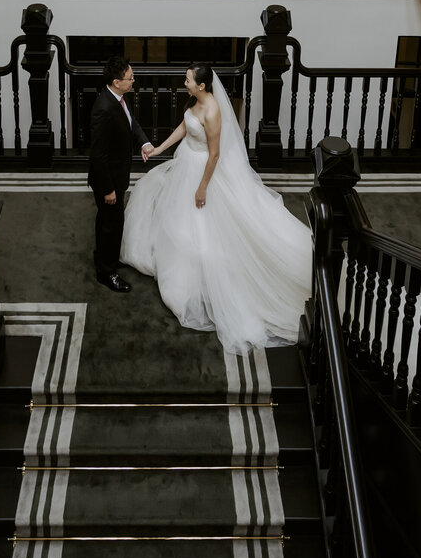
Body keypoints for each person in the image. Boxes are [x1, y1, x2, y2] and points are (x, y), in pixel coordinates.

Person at [121, 63, 312, 354]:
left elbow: (214, 154)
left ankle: (198, 276)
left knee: (204, 227)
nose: (184, 83)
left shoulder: (212, 111)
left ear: (202, 85)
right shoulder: (195, 102)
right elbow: (185, 126)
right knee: (175, 216)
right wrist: (159, 149)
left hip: (201, 170)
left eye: (188, 80)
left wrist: (202, 186)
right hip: (185, 161)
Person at [87, 56, 154, 293]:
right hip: (109, 180)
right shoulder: (104, 109)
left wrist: (143, 142)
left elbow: (130, 122)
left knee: (107, 220)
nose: (134, 81)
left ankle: (103, 257)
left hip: (117, 174)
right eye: (130, 78)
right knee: (112, 224)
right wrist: (107, 189)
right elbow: (98, 155)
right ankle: (106, 273)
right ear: (117, 81)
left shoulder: (118, 100)